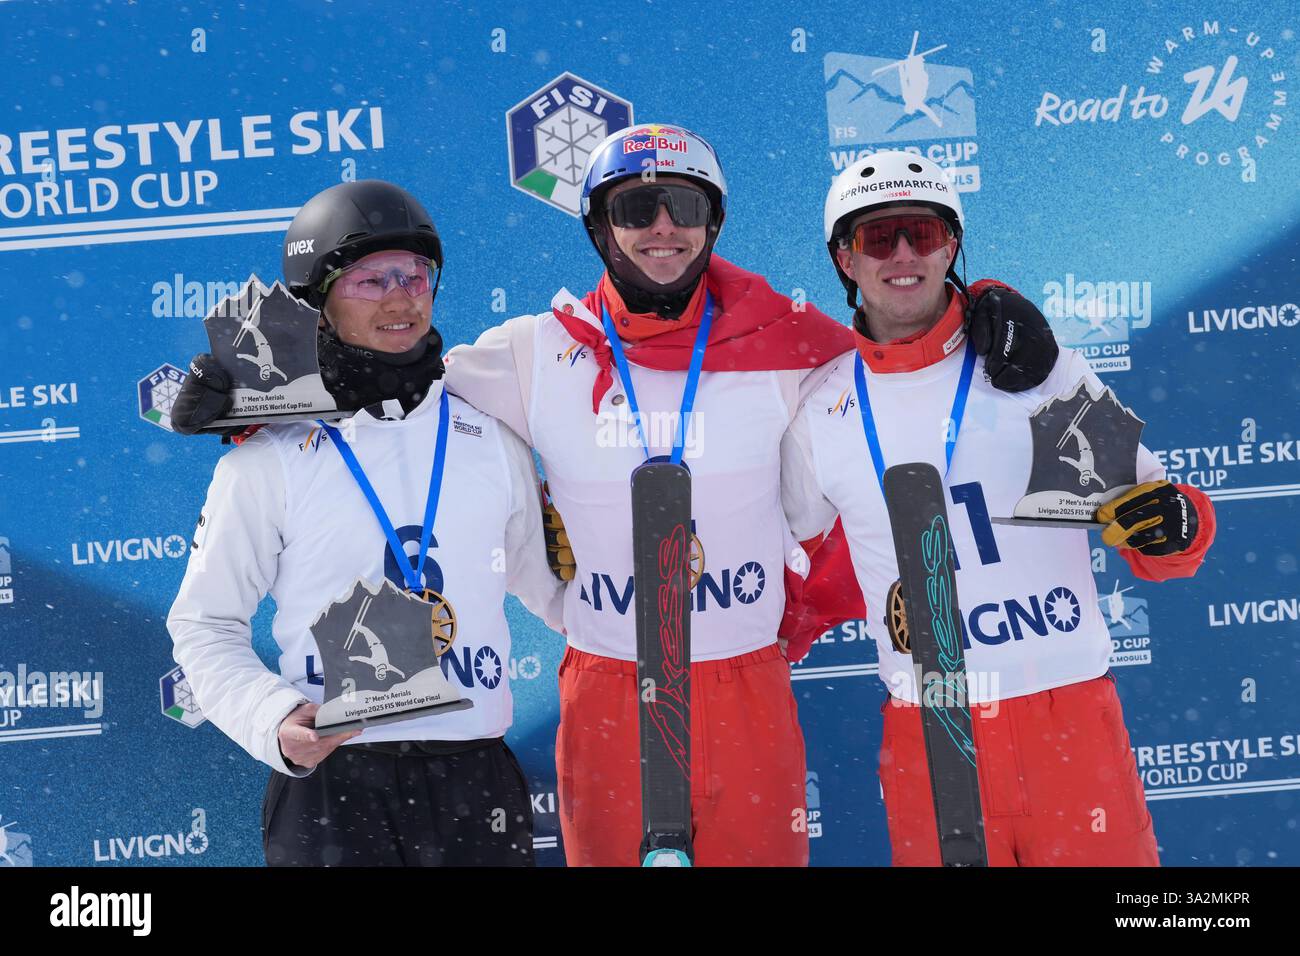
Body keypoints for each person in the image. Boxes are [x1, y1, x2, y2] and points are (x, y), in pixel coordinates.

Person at [441, 125, 1057, 866]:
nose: (662, 227)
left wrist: (989, 301)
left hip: (745, 684)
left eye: (683, 206)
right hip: (609, 686)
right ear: (601, 228)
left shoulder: (785, 343)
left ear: (715, 222)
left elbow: (904, 345)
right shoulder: (535, 351)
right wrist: (261, 419)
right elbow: (393, 384)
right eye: (638, 209)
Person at [780, 149, 1216, 866]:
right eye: (875, 238)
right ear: (843, 259)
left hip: (1068, 720)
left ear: (952, 244)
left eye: (921, 233)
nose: (901, 255)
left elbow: (1163, 524)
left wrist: (1179, 525)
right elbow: (778, 556)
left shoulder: (1036, 365)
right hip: (929, 729)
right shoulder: (819, 407)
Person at [167, 180, 564, 867]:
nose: (400, 295)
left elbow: (560, 597)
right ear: (317, 301)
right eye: (369, 279)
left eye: (415, 273)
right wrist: (274, 720)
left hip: (476, 786)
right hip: (336, 791)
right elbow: (204, 624)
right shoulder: (269, 458)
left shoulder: (491, 436)